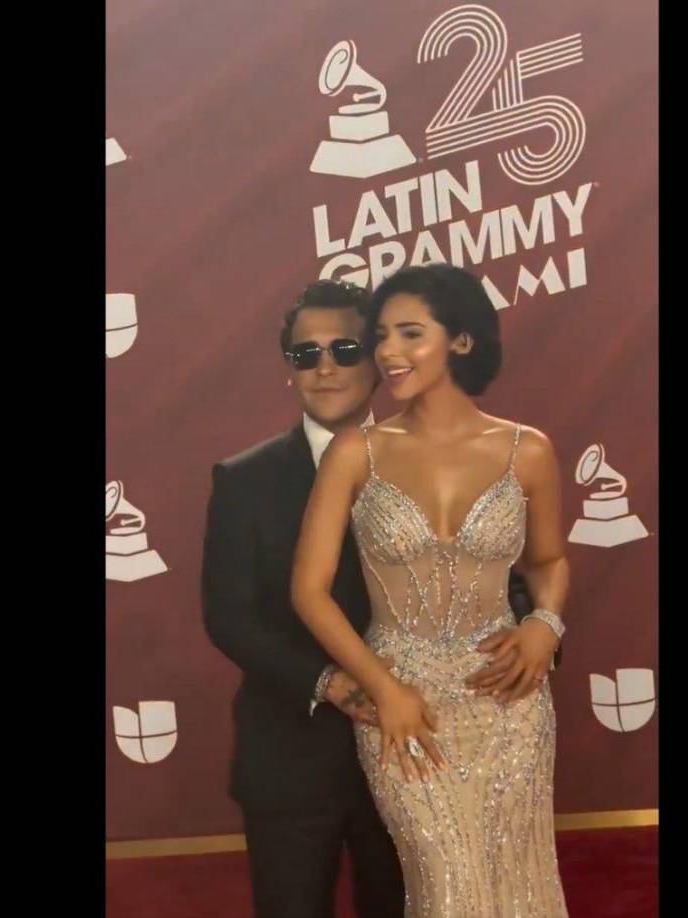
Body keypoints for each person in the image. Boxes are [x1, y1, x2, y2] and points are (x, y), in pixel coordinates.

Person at [291, 263, 570, 916]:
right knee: (444, 884)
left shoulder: (527, 451)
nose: (388, 352)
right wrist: (384, 689)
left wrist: (545, 624)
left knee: (519, 882)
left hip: (511, 701)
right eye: (382, 335)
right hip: (403, 701)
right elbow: (309, 591)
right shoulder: (356, 453)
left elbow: (550, 561)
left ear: (461, 341)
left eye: (409, 333)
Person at [201, 280, 405, 918]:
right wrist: (329, 682)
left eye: (345, 349)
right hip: (288, 756)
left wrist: (541, 628)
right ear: (288, 370)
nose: (325, 367)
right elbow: (230, 616)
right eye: (305, 354)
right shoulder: (244, 479)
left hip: (413, 753)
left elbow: (493, 576)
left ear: (376, 356)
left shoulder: (434, 464)